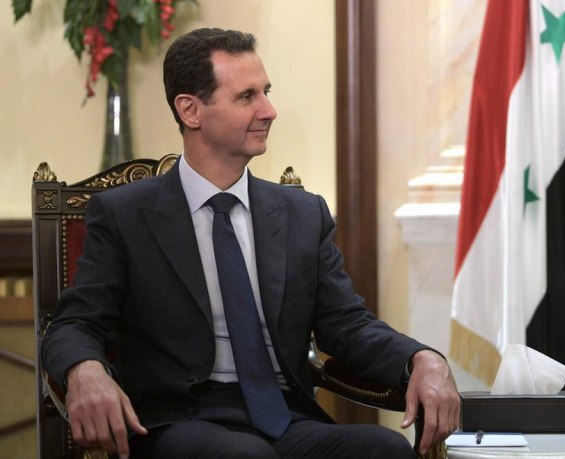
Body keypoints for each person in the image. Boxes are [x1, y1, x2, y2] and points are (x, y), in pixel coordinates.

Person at [43, 27, 459, 459]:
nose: (269, 110)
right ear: (190, 110)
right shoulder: (126, 215)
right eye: (247, 97)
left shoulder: (302, 213)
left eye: (266, 92)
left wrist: (422, 359)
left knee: (383, 449)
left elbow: (346, 325)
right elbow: (76, 322)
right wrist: (84, 370)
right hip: (180, 423)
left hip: (286, 419)